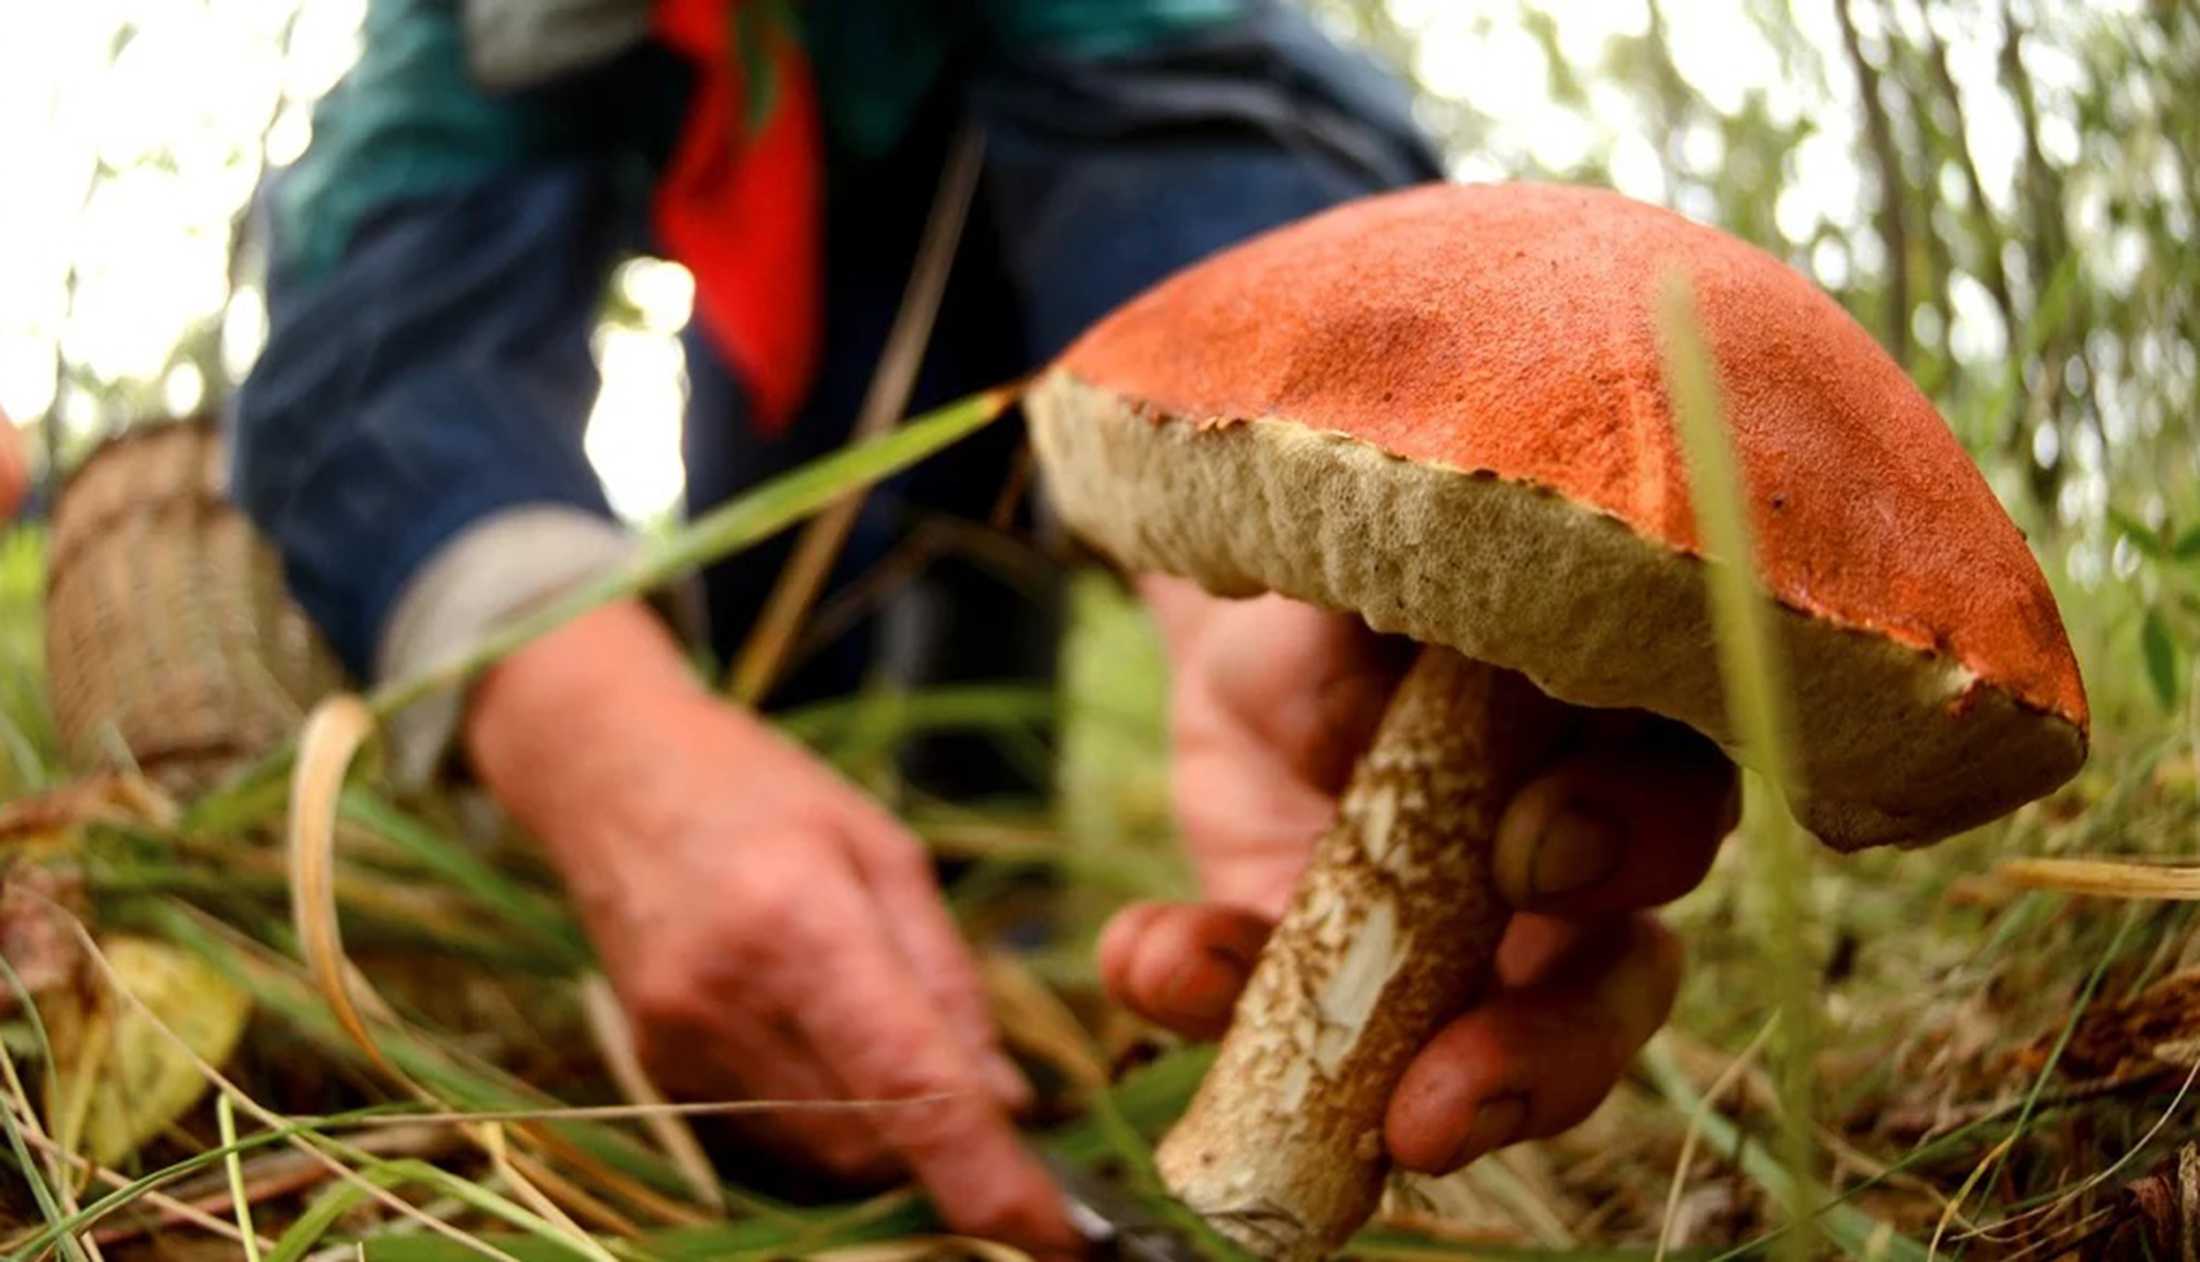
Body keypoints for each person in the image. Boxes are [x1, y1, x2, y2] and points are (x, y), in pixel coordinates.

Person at [233, 0, 1739, 1252]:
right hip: (767, 354)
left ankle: (990, 988)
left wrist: (1290, 565)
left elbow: (1204, 119)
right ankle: (800, 1034)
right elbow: (384, 308)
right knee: (778, 672)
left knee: (973, 686)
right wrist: (605, 746)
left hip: (1017, 330)